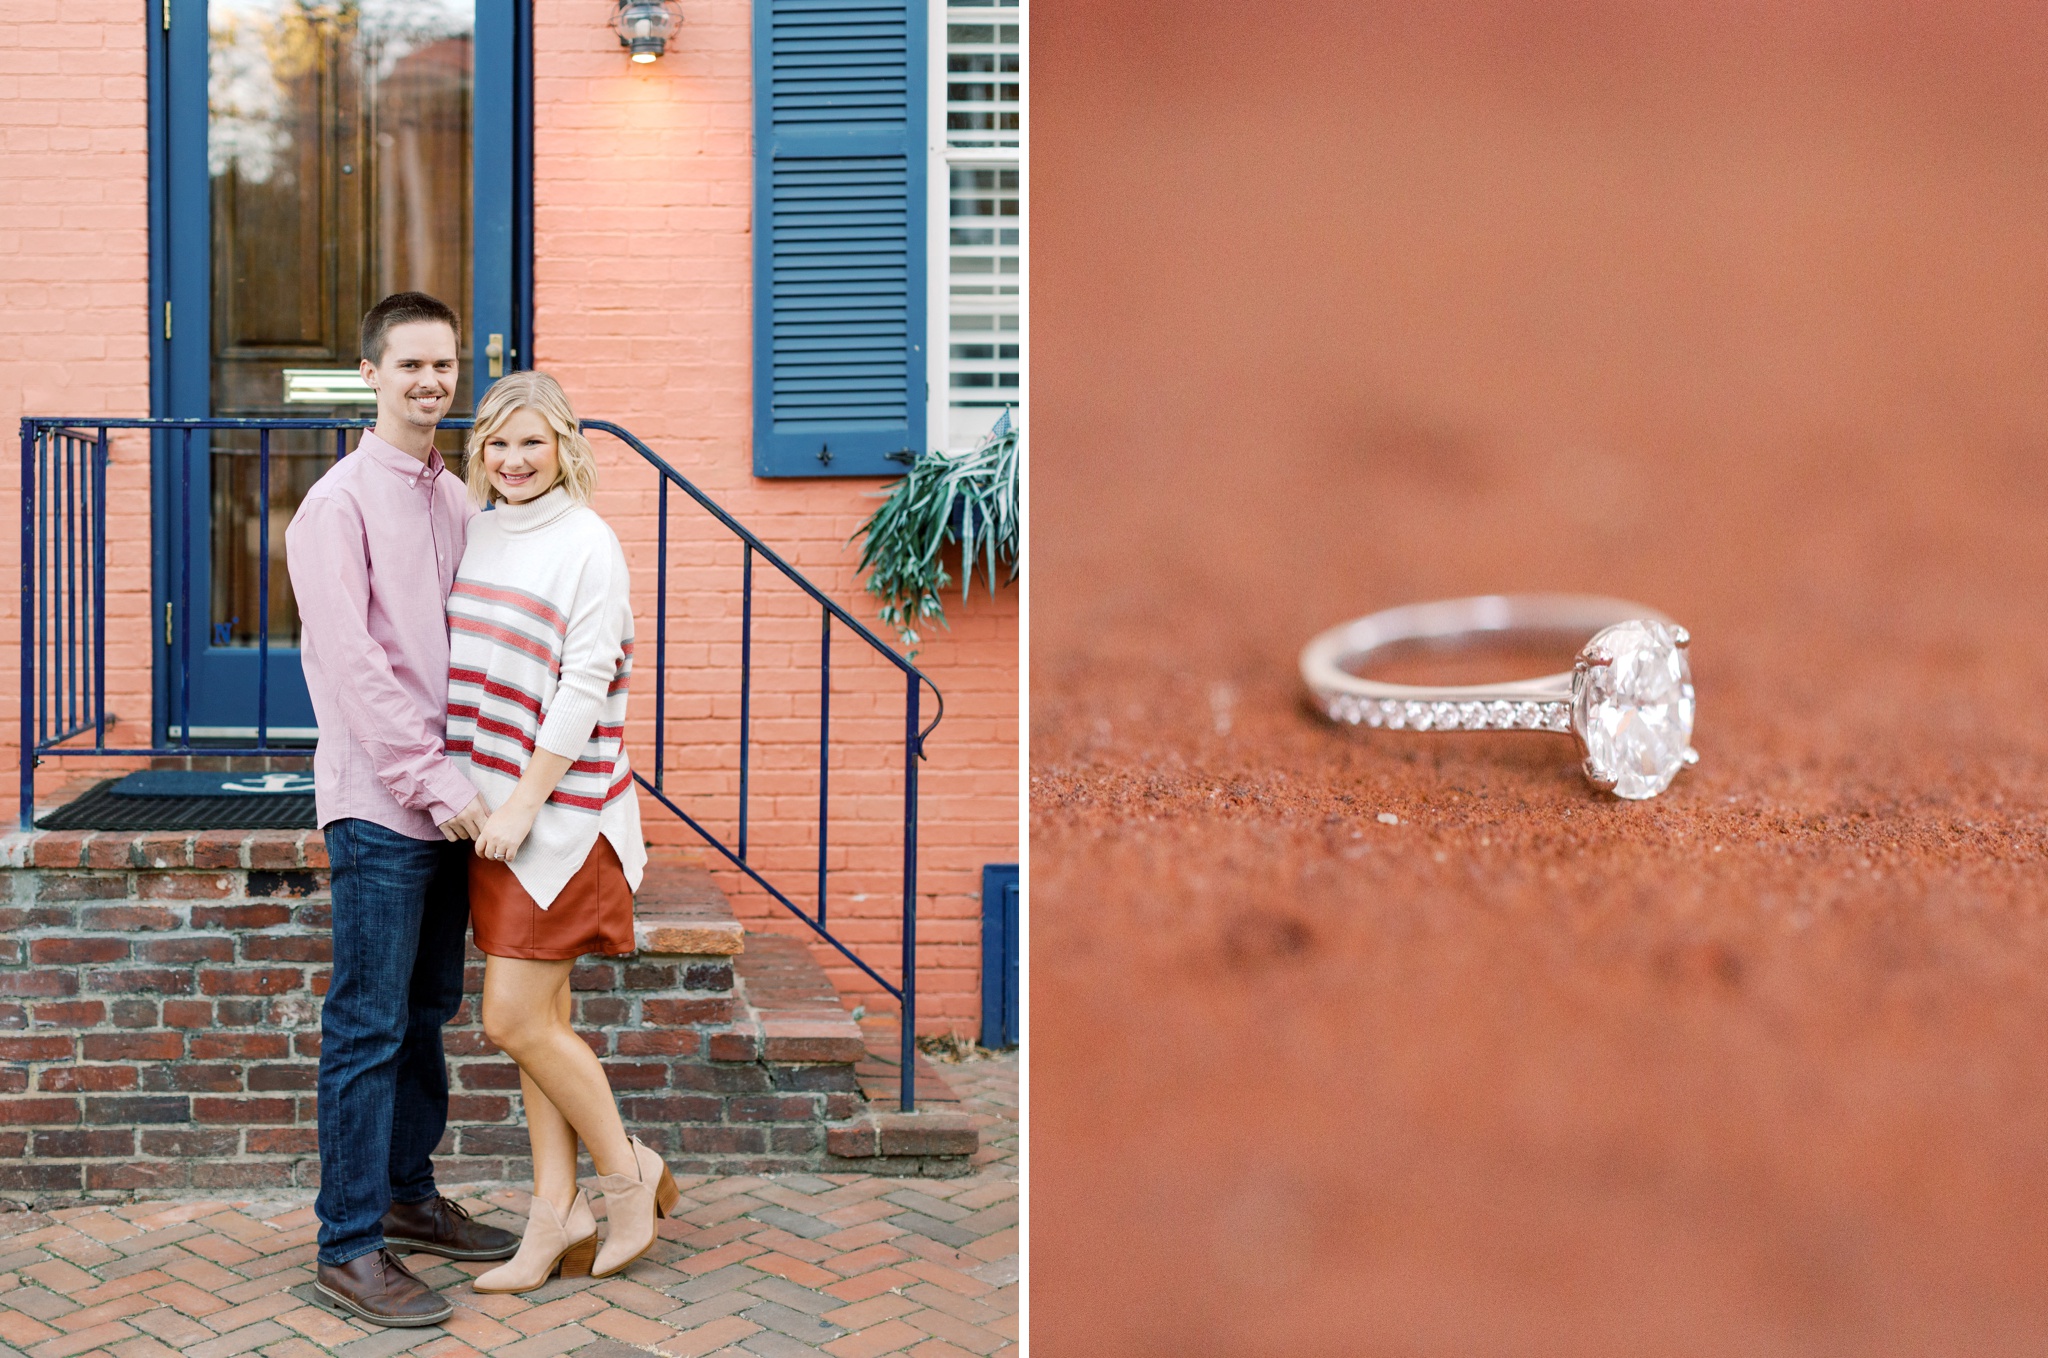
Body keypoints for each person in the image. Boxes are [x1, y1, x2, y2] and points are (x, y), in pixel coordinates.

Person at [286, 292, 519, 1328]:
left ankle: (408, 1194)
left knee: (425, 1014)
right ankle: (348, 1243)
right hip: (386, 806)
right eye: (411, 364)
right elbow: (358, 673)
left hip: (456, 804)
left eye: (445, 365)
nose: (432, 382)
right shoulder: (333, 507)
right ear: (369, 371)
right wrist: (443, 787)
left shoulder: (457, 501)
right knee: (368, 1023)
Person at [444, 370, 675, 1293]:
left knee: (510, 1018)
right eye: (499, 442)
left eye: (532, 442)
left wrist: (525, 804)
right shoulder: (477, 531)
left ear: (566, 445)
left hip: (560, 820)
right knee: (541, 1024)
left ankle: (629, 1176)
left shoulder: (590, 542)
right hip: (494, 818)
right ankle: (554, 1217)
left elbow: (586, 684)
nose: (513, 461)